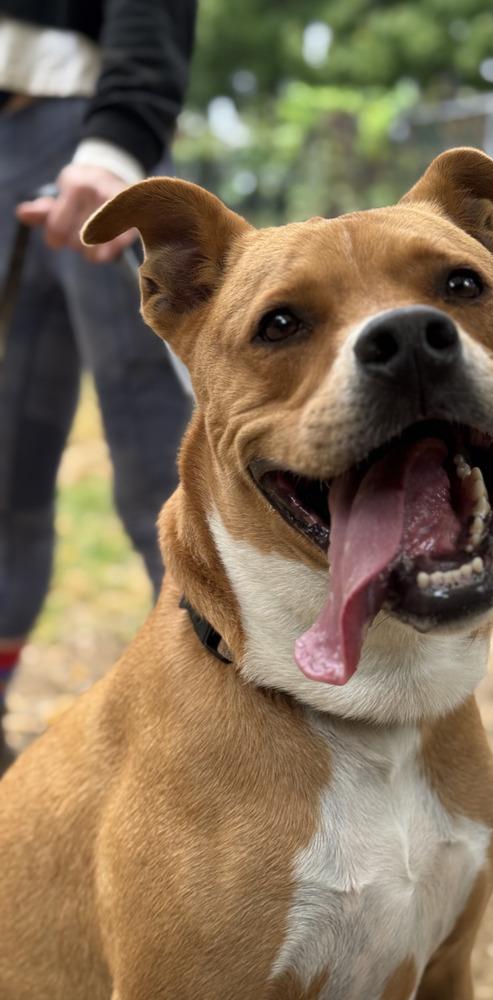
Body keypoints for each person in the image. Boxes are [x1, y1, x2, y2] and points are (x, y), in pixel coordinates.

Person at [0, 0, 198, 772]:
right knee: (7, 471)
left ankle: (225, 726)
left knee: (163, 461)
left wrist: (118, 141)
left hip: (86, 138)